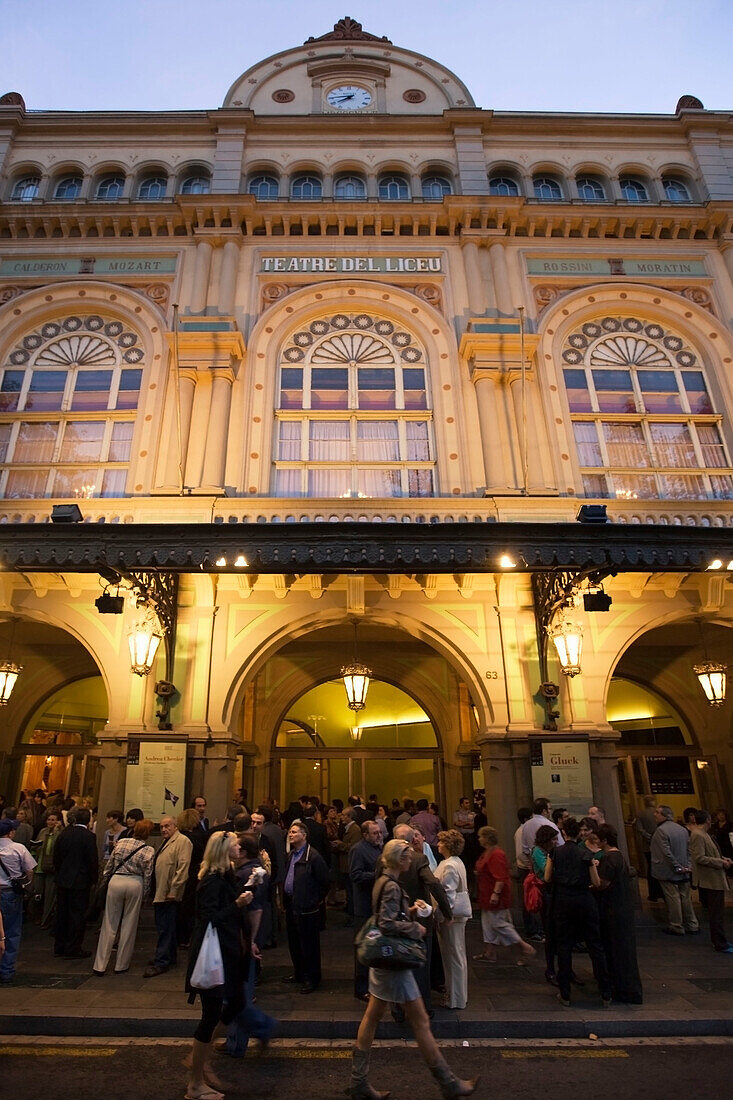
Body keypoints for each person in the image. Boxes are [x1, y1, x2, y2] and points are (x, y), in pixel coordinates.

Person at [349, 838, 477, 1100]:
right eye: (408, 856)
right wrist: (414, 927)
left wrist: (409, 911)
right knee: (420, 1021)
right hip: (395, 965)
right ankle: (448, 1083)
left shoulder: (383, 880)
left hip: (382, 961)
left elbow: (387, 916)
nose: (412, 860)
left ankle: (359, 1081)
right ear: (399, 860)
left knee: (372, 1017)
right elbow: (386, 922)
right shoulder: (393, 886)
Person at [184, 830, 253, 1100]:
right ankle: (195, 1083)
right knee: (210, 1015)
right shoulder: (212, 881)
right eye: (236, 844)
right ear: (224, 850)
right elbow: (210, 918)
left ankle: (199, 1058)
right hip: (212, 957)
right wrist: (238, 903)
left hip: (227, 955)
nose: (240, 847)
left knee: (235, 1003)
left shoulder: (226, 875)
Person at [380, 824, 453, 1019]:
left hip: (397, 922)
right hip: (418, 921)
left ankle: (399, 1009)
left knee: (398, 968)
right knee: (421, 967)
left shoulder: (383, 861)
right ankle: (423, 1008)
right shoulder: (418, 859)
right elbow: (433, 883)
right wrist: (447, 912)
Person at [215, 831, 277, 1058]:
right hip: (246, 939)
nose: (231, 847)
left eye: (234, 845)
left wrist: (250, 941)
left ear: (241, 851)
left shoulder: (246, 875)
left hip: (242, 940)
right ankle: (235, 1043)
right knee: (237, 992)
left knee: (237, 993)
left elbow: (255, 909)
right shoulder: (253, 870)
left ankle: (262, 1027)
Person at [544, 816, 611, 1008]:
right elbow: (597, 882)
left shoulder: (555, 852)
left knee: (564, 946)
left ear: (564, 833)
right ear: (579, 833)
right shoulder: (585, 853)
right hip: (584, 899)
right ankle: (605, 992)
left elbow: (548, 877)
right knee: (595, 945)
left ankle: (565, 993)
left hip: (563, 901)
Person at [589, 823, 643, 1003]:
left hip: (613, 909)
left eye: (597, 839)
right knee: (622, 950)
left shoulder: (609, 858)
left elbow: (602, 883)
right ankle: (626, 988)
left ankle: (621, 988)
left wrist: (589, 886)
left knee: (616, 950)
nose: (594, 842)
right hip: (621, 908)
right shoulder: (618, 856)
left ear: (605, 840)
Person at [93, 818, 155, 975]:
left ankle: (100, 965)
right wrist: (145, 895)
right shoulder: (148, 850)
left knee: (109, 923)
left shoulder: (121, 843)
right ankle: (121, 964)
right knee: (129, 924)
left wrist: (104, 882)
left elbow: (109, 866)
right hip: (135, 882)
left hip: (117, 880)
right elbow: (148, 875)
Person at [474, 825, 535, 966]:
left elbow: (500, 877)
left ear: (487, 838)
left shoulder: (496, 854)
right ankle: (490, 952)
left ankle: (525, 947)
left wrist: (496, 893)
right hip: (487, 893)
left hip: (494, 895)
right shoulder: (489, 852)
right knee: (488, 923)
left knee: (499, 924)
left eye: (480, 836)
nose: (479, 839)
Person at [282, 820, 329, 993]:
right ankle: (299, 972)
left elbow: (325, 881)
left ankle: (312, 978)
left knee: (309, 945)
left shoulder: (313, 856)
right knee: (294, 943)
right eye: (290, 832)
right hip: (292, 905)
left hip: (307, 907)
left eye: (294, 832)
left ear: (304, 835)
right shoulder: (291, 855)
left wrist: (314, 899)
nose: (291, 834)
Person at [145, 814, 193, 977]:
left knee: (165, 927)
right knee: (166, 927)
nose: (164, 829)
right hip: (162, 891)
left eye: (168, 826)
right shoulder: (168, 842)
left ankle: (162, 961)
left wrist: (174, 890)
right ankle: (168, 956)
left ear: (175, 826)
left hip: (169, 893)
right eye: (162, 827)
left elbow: (183, 867)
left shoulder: (183, 841)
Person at [53, 806, 98, 960]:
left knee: (62, 913)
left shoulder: (65, 833)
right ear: (88, 819)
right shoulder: (88, 836)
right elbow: (92, 860)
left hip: (63, 879)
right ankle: (73, 947)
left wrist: (60, 873)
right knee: (77, 915)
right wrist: (94, 879)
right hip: (80, 881)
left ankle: (59, 945)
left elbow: (56, 856)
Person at [433, 829, 470, 1009]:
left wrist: (444, 915)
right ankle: (458, 995)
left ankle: (455, 998)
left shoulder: (448, 866)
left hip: (452, 917)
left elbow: (448, 894)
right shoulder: (457, 862)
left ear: (447, 845)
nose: (438, 844)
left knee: (452, 955)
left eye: (440, 842)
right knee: (457, 954)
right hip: (455, 917)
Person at [650, 804, 699, 935]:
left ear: (664, 815)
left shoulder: (661, 831)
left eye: (657, 813)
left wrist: (676, 866)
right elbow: (689, 849)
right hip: (684, 868)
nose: (654, 814)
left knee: (673, 898)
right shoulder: (682, 829)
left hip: (669, 870)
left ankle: (676, 925)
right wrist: (688, 865)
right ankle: (692, 923)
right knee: (685, 897)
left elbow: (665, 852)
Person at [688, 809, 733, 953]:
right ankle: (719, 942)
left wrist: (722, 858)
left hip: (714, 877)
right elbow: (699, 857)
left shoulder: (704, 834)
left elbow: (710, 853)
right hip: (710, 879)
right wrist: (720, 862)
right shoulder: (698, 835)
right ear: (708, 820)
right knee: (715, 913)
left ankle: (721, 940)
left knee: (718, 912)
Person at [350, 819, 383, 1001]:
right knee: (364, 946)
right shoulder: (358, 850)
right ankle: (361, 987)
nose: (379, 835)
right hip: (364, 907)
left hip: (377, 906)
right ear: (365, 835)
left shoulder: (379, 847)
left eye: (379, 832)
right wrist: (378, 875)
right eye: (375, 833)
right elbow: (355, 875)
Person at [0, 818, 36, 984]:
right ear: (11, 832)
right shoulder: (18, 848)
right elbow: (29, 871)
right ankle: (6, 971)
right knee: (11, 931)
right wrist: (27, 887)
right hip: (10, 894)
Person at [531, 824, 561, 985]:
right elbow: (545, 871)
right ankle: (551, 969)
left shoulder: (550, 851)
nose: (556, 842)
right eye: (554, 839)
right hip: (546, 892)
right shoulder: (538, 852)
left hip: (553, 892)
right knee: (550, 928)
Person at [177, 808, 208, 949]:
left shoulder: (178, 837)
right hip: (194, 873)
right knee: (190, 907)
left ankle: (179, 936)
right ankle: (188, 937)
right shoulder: (199, 837)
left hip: (180, 873)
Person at [31, 808, 63, 928]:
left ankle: (46, 919)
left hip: (52, 868)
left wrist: (56, 831)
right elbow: (37, 845)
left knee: (50, 895)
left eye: (53, 820)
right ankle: (37, 916)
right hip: (39, 866)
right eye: (49, 820)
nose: (50, 822)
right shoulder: (42, 831)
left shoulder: (60, 833)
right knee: (38, 893)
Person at [635, 795, 663, 901]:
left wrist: (649, 836)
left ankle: (653, 893)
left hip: (648, 845)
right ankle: (661, 892)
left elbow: (640, 829)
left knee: (651, 868)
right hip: (660, 844)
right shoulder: (659, 813)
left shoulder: (640, 814)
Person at [520, 798, 563, 862]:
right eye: (550, 809)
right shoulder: (550, 825)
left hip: (534, 862)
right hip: (550, 862)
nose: (551, 811)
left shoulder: (526, 825)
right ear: (544, 811)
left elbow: (525, 849)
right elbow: (561, 845)